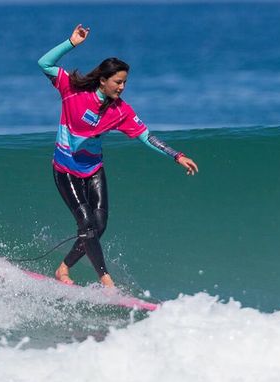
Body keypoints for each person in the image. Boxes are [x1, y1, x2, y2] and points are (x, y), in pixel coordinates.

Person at [38, 24, 199, 288]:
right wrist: (71, 42)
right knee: (87, 224)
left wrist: (176, 155)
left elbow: (146, 135)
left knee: (98, 226)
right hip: (66, 169)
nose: (122, 87)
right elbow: (44, 63)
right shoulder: (72, 90)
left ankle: (63, 269)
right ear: (103, 80)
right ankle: (106, 281)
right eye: (118, 82)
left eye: (125, 82)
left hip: (93, 169)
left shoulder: (120, 111)